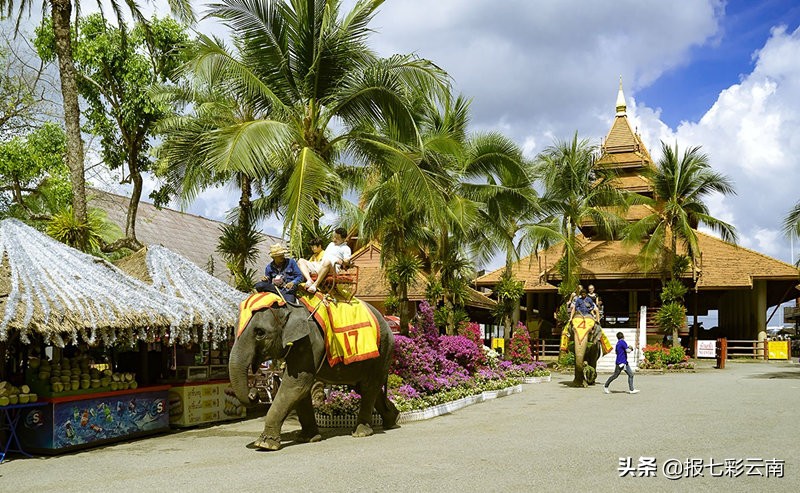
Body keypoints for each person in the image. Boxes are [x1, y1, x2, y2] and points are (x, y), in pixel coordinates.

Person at [298, 227, 351, 294]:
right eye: (334, 237)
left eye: (337, 238)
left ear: (343, 239)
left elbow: (347, 260)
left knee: (327, 261)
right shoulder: (331, 244)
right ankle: (309, 280)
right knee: (301, 261)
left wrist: (343, 261)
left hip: (332, 269)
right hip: (321, 265)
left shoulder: (346, 248)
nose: (334, 239)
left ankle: (315, 285)